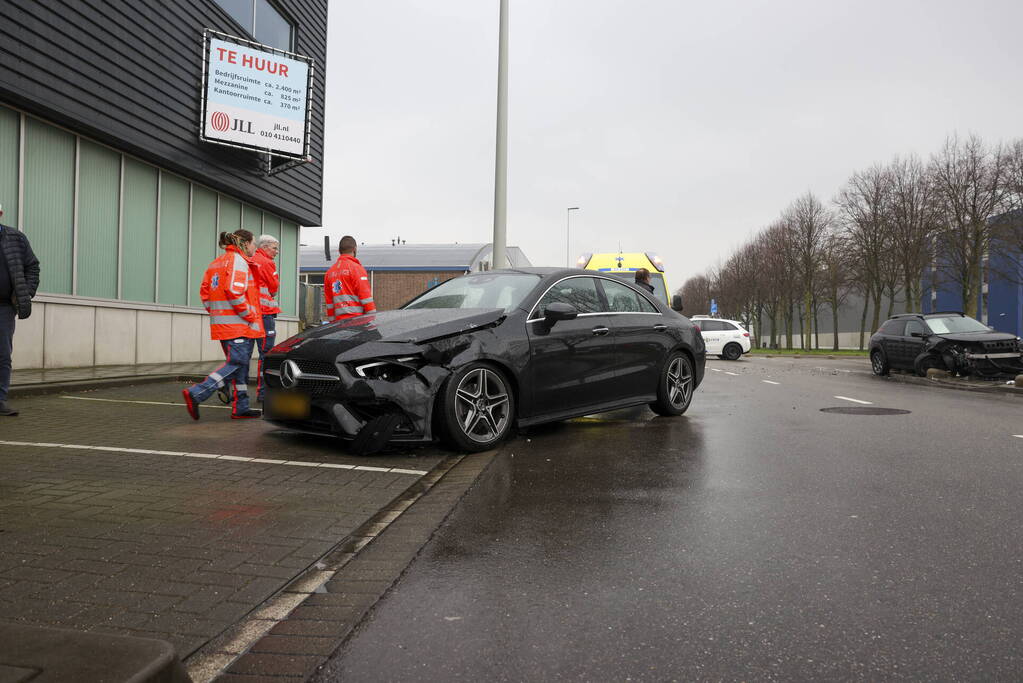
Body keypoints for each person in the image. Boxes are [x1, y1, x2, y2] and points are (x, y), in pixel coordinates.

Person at [183, 229, 264, 420]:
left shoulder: (215, 263)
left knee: (241, 366)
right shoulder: (238, 261)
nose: (255, 247)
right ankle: (197, 393)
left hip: (223, 325)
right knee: (237, 363)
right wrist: (249, 314)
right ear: (245, 243)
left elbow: (205, 294)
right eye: (253, 243)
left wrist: (218, 314)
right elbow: (233, 291)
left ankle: (241, 406)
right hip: (238, 325)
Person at [0, 203, 40, 417]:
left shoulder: (16, 238)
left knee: (3, 355)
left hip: (4, 308)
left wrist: (26, 292)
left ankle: (0, 400)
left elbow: (32, 266)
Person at [252, 234, 280, 403]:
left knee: (243, 354)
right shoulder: (267, 262)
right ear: (264, 247)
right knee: (266, 354)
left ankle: (226, 383)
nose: (276, 252)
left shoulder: (249, 260)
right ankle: (263, 393)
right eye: (274, 248)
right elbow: (274, 287)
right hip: (264, 314)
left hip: (250, 314)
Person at [324, 235, 376, 321]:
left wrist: (332, 324)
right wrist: (373, 320)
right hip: (357, 322)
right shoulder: (357, 269)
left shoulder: (329, 273)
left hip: (338, 324)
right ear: (355, 249)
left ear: (339, 251)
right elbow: (366, 298)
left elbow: (330, 304)